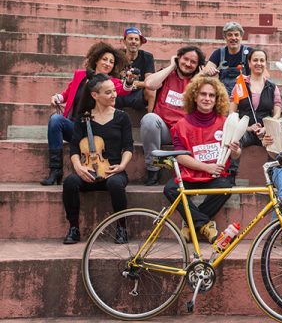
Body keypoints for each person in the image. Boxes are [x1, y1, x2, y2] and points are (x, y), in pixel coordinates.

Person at [163, 76, 241, 243]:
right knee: (170, 189)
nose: (207, 98)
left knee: (226, 187)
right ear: (195, 97)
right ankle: (204, 224)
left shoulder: (225, 122)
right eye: (203, 94)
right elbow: (180, 156)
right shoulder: (181, 125)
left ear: (217, 99)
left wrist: (236, 151)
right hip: (191, 174)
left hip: (215, 177)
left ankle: (190, 224)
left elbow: (234, 155)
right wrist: (207, 167)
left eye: (211, 95)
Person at [41, 42, 130, 186]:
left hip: (99, 136)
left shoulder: (112, 82)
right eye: (105, 59)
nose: (108, 64)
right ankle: (55, 170)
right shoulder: (80, 75)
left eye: (111, 62)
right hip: (78, 127)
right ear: (96, 60)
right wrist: (56, 98)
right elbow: (66, 94)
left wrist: (130, 81)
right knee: (55, 120)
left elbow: (125, 88)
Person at [62, 72, 134, 244]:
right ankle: (74, 228)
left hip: (113, 170)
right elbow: (74, 147)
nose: (114, 94)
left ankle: (121, 228)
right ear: (95, 95)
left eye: (114, 91)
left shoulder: (122, 117)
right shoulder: (83, 118)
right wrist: (79, 168)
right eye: (108, 92)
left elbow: (128, 147)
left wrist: (122, 166)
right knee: (70, 182)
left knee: (116, 184)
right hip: (89, 171)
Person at [141, 46, 205, 185]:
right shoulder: (167, 75)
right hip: (164, 129)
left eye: (193, 62)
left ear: (198, 66)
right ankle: (153, 169)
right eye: (185, 59)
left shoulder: (200, 82)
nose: (188, 64)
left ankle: (191, 172)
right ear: (178, 58)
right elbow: (149, 84)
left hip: (185, 132)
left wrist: (200, 78)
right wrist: (171, 67)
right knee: (149, 119)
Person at [229, 49, 282, 147]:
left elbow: (277, 115)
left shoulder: (272, 87)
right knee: (234, 142)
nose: (259, 63)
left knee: (275, 142)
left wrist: (266, 128)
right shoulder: (241, 85)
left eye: (262, 60)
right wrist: (248, 128)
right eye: (255, 60)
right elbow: (232, 113)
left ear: (266, 64)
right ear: (249, 63)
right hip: (244, 132)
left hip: (266, 131)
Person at [202, 22, 253, 95]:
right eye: (230, 35)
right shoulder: (218, 53)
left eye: (236, 35)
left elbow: (264, 75)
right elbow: (205, 71)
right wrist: (210, 72)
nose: (233, 38)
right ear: (225, 38)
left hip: (244, 97)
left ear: (241, 37)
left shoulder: (250, 53)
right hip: (224, 97)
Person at [116, 27, 157, 112]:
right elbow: (112, 79)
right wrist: (125, 84)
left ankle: (150, 117)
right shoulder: (117, 56)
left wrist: (136, 84)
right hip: (119, 92)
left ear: (140, 43)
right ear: (124, 41)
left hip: (138, 95)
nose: (133, 42)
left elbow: (149, 82)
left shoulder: (147, 57)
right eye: (130, 39)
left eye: (136, 39)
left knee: (152, 89)